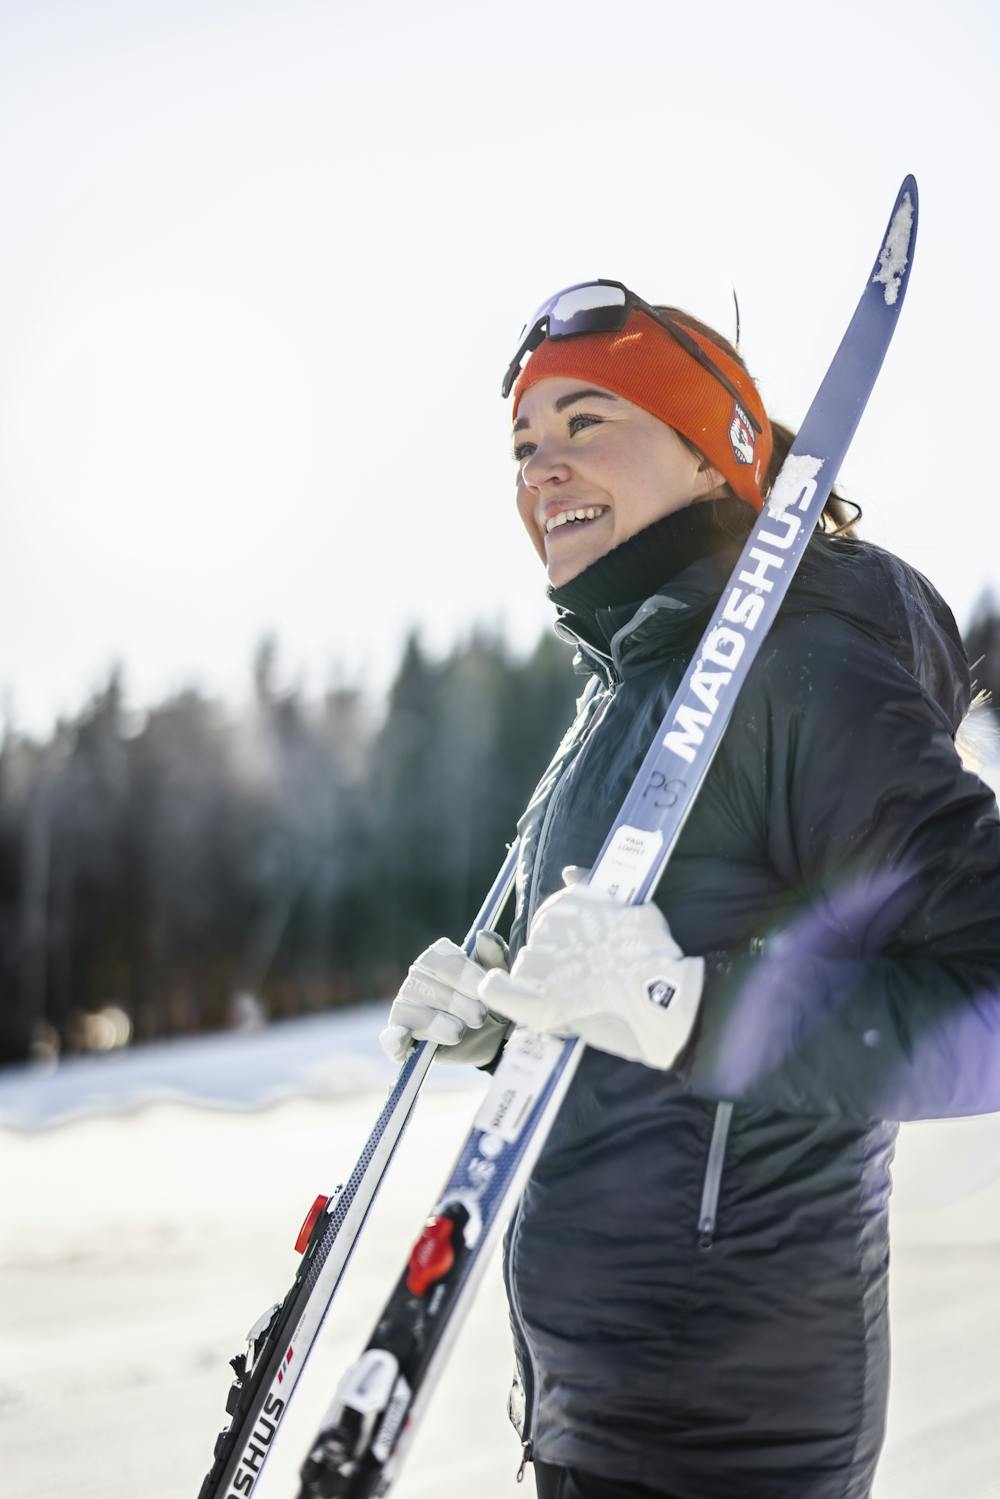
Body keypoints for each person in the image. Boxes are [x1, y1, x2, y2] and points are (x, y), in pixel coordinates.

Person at [380, 281, 1000, 1499]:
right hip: (580, 1407)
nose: (540, 471)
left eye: (585, 422)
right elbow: (617, 954)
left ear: (708, 451)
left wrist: (683, 1005)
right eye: (522, 444)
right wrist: (508, 1002)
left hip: (735, 1437)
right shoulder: (623, 696)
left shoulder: (804, 669)